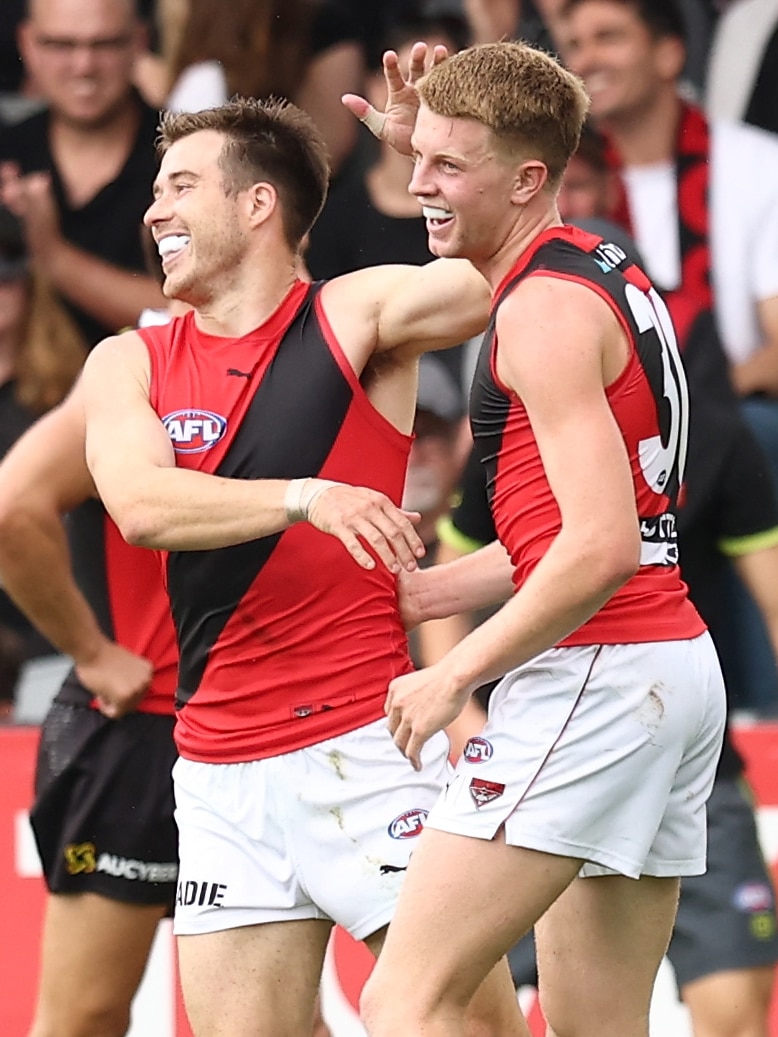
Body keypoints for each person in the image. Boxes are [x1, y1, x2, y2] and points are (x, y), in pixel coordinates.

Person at [79, 94, 526, 1037]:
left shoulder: (352, 311)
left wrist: (436, 171)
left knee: (460, 1027)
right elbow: (141, 508)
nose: (155, 210)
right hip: (216, 774)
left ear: (257, 205)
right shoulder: (129, 362)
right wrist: (307, 495)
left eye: (181, 186)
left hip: (365, 746)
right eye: (156, 190)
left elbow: (514, 276)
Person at [340, 39, 726, 1036]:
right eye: (417, 156)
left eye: (445, 167)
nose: (419, 183)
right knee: (598, 1025)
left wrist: (448, 671)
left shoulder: (542, 310)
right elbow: (581, 529)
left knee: (404, 1000)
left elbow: (596, 550)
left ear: (526, 178)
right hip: (667, 669)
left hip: (598, 674)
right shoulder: (595, 263)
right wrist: (428, 591)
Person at [422, 310, 778, 1037]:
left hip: (675, 729)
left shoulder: (711, 435)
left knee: (726, 1019)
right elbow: (450, 582)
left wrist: (453, 671)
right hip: (549, 740)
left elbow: (609, 552)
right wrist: (463, 711)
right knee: (443, 1002)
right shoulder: (506, 442)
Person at [558, 0, 778, 718]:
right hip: (587, 419)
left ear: (669, 54)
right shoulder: (561, 179)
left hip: (723, 418)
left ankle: (753, 707)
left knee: (741, 437)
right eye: (573, 42)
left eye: (608, 37)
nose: (585, 55)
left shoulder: (755, 163)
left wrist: (678, 397)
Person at [0, 381, 180, 1037]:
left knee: (281, 1018)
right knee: (83, 1019)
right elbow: (11, 509)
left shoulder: (322, 346)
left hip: (266, 724)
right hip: (137, 731)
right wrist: (92, 651)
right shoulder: (136, 370)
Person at [0, 0, 165, 349]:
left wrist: (52, 256)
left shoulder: (188, 158)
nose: (83, 65)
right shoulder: (7, 153)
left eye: (104, 44)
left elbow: (200, 314)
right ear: (26, 43)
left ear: (139, 41)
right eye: (60, 44)